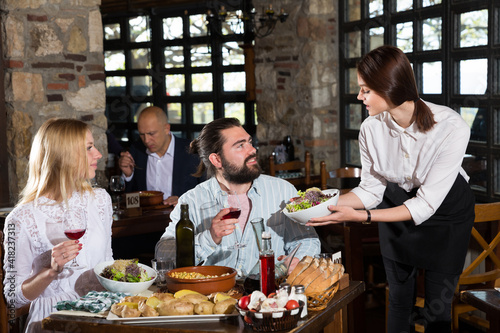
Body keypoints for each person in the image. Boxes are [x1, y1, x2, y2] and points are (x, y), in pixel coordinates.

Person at [307, 45, 475, 333]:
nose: (359, 97)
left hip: (446, 214)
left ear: (390, 88)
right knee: (398, 300)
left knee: (437, 310)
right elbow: (372, 190)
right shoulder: (370, 129)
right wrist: (324, 202)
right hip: (395, 205)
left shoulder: (451, 127)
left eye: (365, 90)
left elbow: (425, 204)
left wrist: (365, 218)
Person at [155, 118, 320, 275]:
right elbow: (164, 254)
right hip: (216, 298)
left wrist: (298, 260)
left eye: (249, 142)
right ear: (217, 160)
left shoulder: (282, 191)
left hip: (271, 295)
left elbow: (306, 239)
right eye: (240, 146)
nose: (252, 150)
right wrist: (209, 238)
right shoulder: (191, 201)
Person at [3, 118, 113, 333]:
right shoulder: (20, 219)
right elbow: (12, 299)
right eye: (89, 148)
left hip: (103, 310)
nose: (98, 154)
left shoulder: (101, 200)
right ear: (66, 156)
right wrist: (50, 272)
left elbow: (107, 261)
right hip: (53, 318)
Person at [118, 106, 202, 206]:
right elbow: (130, 201)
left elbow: (209, 194)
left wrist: (185, 202)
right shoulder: (136, 151)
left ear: (166, 128)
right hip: (146, 219)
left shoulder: (192, 152)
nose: (146, 140)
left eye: (151, 133)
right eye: (142, 134)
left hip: (183, 218)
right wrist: (128, 176)